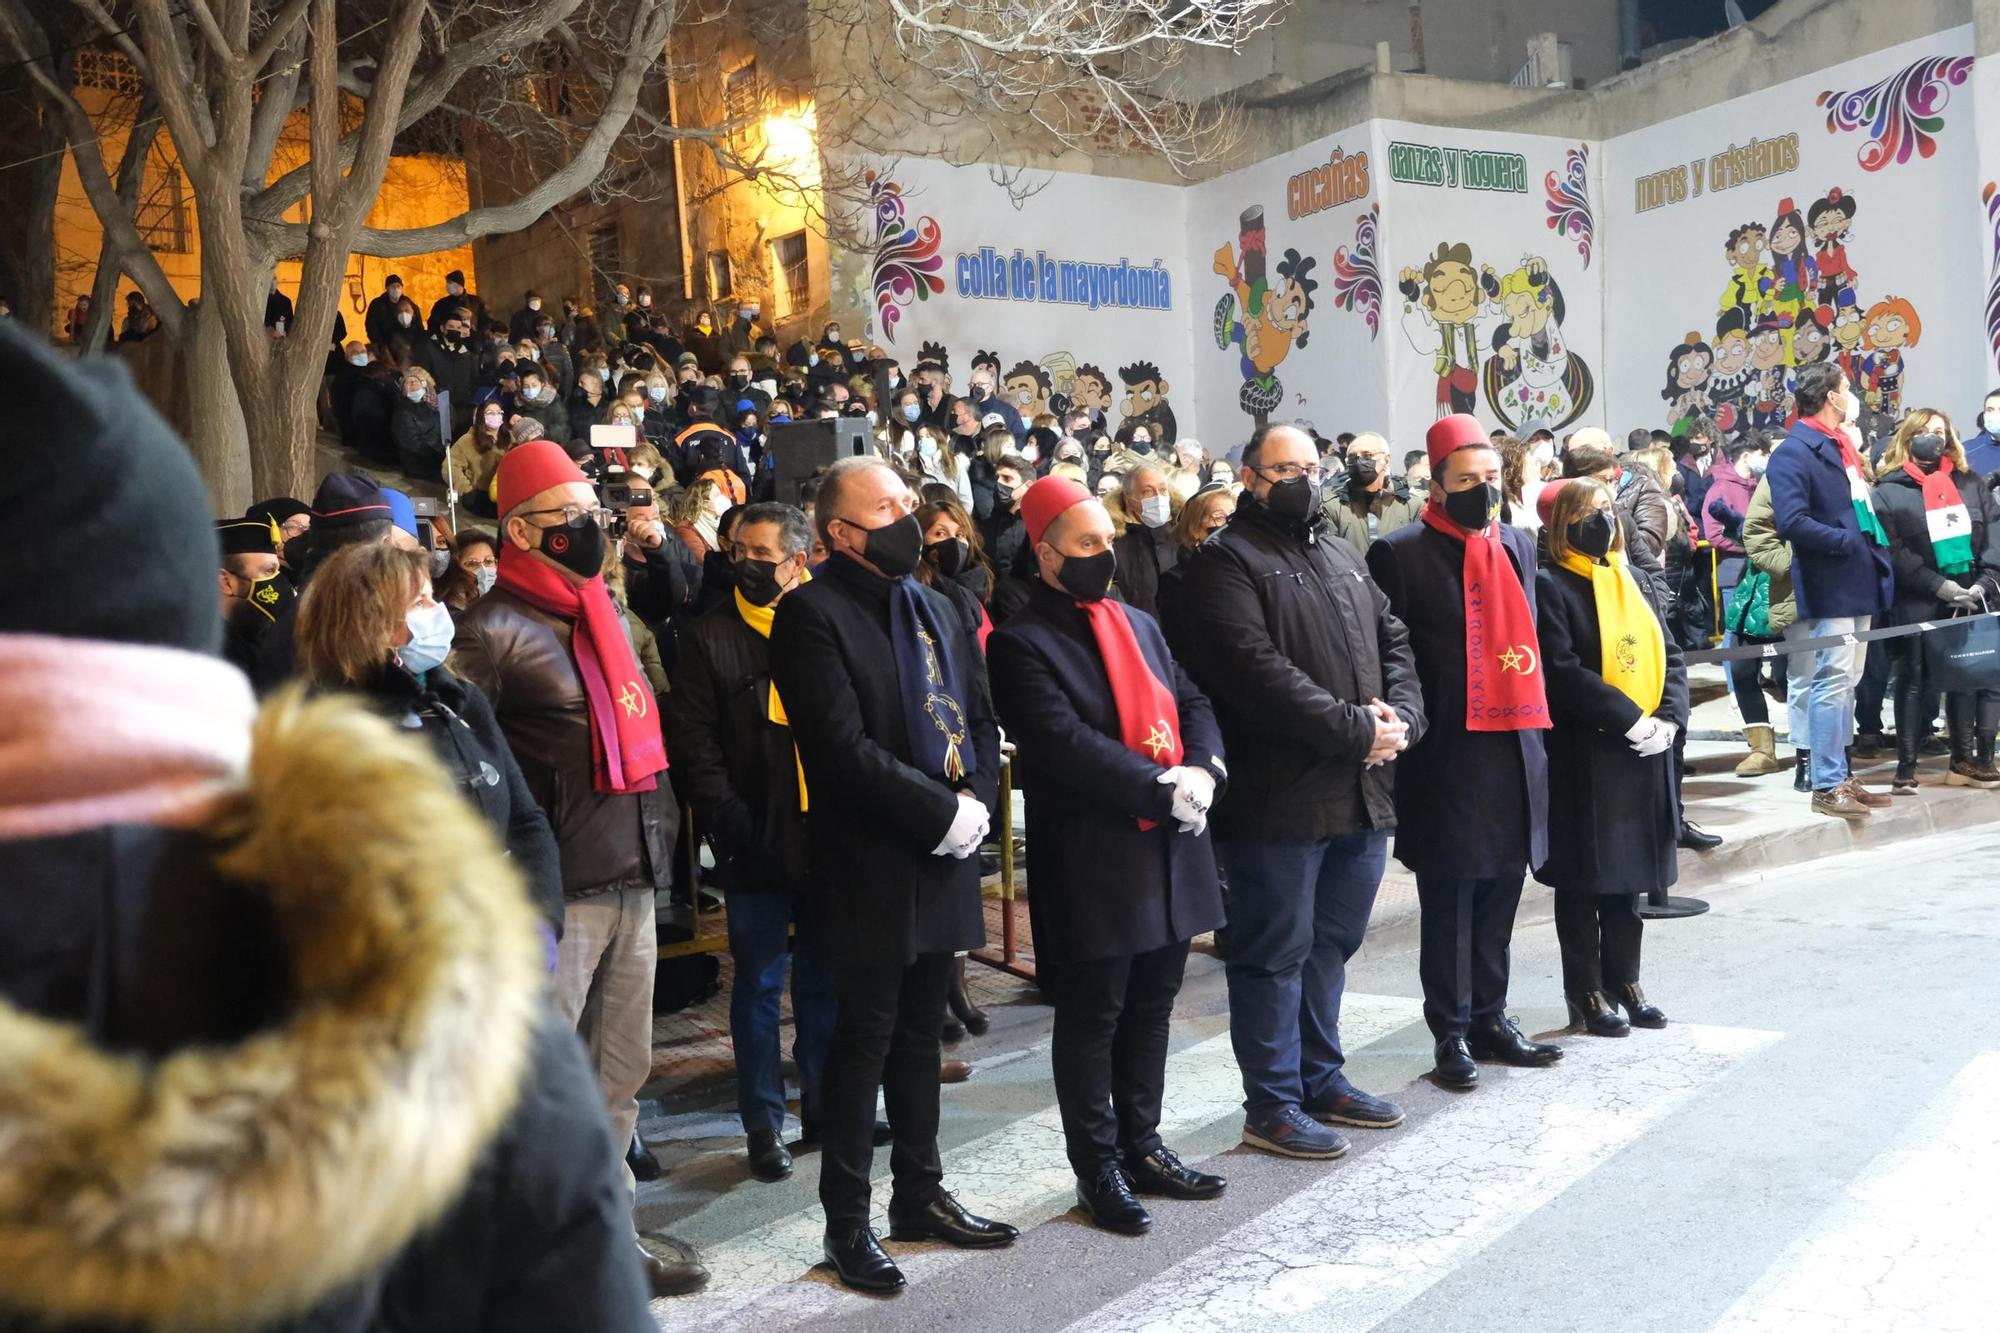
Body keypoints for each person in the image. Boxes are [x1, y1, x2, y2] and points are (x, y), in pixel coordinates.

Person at [0, 322, 656, 1331]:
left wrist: (520, 924)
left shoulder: (446, 728)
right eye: (414, 589)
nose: (432, 606)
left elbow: (524, 815)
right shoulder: (454, 1014)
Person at [449, 441, 704, 1297]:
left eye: (594, 516)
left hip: (630, 875)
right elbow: (462, 769)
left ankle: (604, 1242)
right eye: (573, 520)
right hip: (555, 898)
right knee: (542, 1085)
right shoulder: (489, 632)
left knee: (618, 1080)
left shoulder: (599, 612)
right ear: (520, 529)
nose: (592, 532)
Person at [768, 456, 1014, 1294]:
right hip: (869, 857)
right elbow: (838, 749)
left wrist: (975, 800)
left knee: (921, 1035)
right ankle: (848, 1222)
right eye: (887, 507)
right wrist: (938, 811)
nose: (908, 516)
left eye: (910, 500)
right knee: (861, 1041)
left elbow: (977, 718)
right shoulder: (809, 613)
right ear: (840, 531)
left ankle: (921, 1193)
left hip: (941, 851)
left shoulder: (938, 604)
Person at [1173, 424, 1425, 1158]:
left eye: (1310, 467)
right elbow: (1253, 673)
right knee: (1273, 951)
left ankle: (1322, 1076)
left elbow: (1395, 640)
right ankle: (1273, 1102)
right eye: (1284, 467)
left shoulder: (1341, 551)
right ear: (1249, 476)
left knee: (1331, 945)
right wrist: (1355, 728)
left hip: (1360, 788)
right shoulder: (1224, 564)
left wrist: (1401, 718)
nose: (1301, 479)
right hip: (1278, 795)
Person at [988, 476, 1228, 1234]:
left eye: (1107, 541)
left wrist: (1205, 767)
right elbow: (1063, 745)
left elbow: (1191, 697)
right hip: (1097, 851)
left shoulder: (1137, 620)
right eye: (1086, 544)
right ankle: (1098, 1168)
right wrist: (1163, 786)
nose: (1104, 555)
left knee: (1154, 1001)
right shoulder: (1023, 641)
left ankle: (1144, 1144)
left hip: (1170, 840)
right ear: (1045, 553)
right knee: (1095, 1013)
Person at [1364, 415, 1562, 1090]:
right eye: (1466, 480)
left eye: (1490, 479)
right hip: (1449, 749)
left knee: (1504, 886)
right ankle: (1450, 1030)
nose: (1482, 491)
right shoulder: (1402, 552)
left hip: (1516, 742)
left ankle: (1492, 1014)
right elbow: (1390, 658)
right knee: (1451, 896)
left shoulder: (1518, 545)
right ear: (1438, 484)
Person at [665, 503, 835, 1185]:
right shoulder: (710, 636)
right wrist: (733, 823)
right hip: (753, 834)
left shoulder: (821, 622)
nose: (747, 563)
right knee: (760, 985)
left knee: (825, 981)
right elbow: (697, 747)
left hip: (824, 831)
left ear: (798, 559)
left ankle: (826, 1106)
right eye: (740, 550)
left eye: (762, 553)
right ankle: (763, 1122)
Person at [294, 540, 563, 935]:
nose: (437, 612)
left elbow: (525, 819)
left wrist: (542, 921)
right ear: (371, 623)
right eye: (419, 603)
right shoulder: (334, 732)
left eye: (432, 597)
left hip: (503, 950)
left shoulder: (462, 700)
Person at [1533, 478, 1687, 1036]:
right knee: (1585, 879)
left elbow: (1669, 651)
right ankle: (1586, 991)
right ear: (1561, 525)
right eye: (1586, 512)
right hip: (1589, 750)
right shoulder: (1550, 584)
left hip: (1644, 749)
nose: (1601, 520)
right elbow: (1562, 669)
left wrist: (1669, 719)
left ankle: (1627, 981)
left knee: (1629, 878)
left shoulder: (1634, 577)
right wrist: (1629, 719)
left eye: (1606, 509)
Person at [1766, 361, 1895, 818]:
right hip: (1832, 579)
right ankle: (1824, 782)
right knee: (1830, 681)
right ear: (1829, 397)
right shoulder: (1794, 452)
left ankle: (1841, 773)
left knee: (1849, 682)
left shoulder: (1842, 447)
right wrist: (1846, 541)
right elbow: (1792, 521)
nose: (1851, 394)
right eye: (1845, 388)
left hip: (1858, 575)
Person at [1870, 410, 2000, 790]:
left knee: (1967, 676)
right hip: (1918, 597)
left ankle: (1963, 762)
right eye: (1924, 432)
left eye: (1940, 431)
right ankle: (1906, 767)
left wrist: (1984, 582)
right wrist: (1938, 586)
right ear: (1908, 439)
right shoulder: (1888, 491)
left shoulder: (1970, 483)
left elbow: (1994, 535)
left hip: (1972, 594)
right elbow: (1892, 550)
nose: (1933, 438)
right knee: (1912, 679)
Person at [1703, 435, 1783, 775]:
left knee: (1796, 679)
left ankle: (1813, 753)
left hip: (1789, 599)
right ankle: (1762, 750)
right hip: (1751, 594)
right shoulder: (1756, 488)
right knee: (1742, 670)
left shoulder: (1796, 492)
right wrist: (1737, 525)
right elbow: (1752, 534)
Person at [215, 513, 290, 688]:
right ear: (225, 582)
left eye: (277, 571)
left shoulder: (263, 640)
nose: (278, 582)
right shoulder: (211, 657)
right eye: (268, 571)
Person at [1322, 431, 1420, 552]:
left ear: (1386, 460)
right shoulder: (1333, 505)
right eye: (1352, 457)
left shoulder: (1411, 504)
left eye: (1367, 456)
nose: (1359, 461)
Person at [1110, 461, 1180, 618]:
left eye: (1163, 490)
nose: (1158, 497)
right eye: (1148, 491)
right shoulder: (1114, 541)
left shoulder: (1181, 535)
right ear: (1129, 500)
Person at [436, 527, 499, 616]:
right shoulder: (446, 612)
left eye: (488, 561)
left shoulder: (510, 602)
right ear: (455, 568)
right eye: (472, 563)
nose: (484, 570)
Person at [364, 273, 409, 348]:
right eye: (392, 286)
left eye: (398, 286)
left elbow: (417, 323)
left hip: (405, 346)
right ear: (387, 288)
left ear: (402, 288)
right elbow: (371, 325)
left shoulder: (409, 303)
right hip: (384, 346)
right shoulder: (377, 304)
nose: (396, 289)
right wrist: (379, 343)